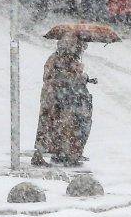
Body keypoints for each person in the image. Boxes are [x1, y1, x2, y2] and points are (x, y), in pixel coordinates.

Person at [32, 33, 96, 166]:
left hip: (59, 98)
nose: (81, 50)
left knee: (60, 126)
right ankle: (41, 155)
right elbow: (61, 78)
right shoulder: (59, 59)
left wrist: (84, 77)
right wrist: (81, 77)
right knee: (50, 126)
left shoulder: (65, 59)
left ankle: (64, 153)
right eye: (80, 47)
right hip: (55, 98)